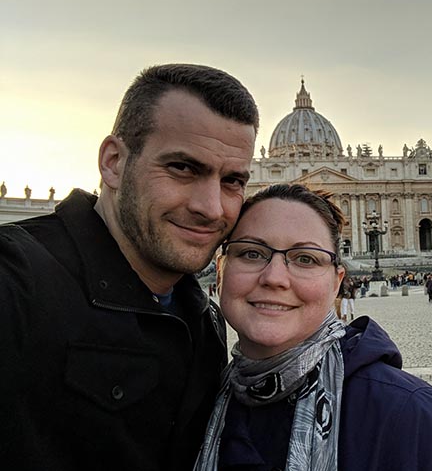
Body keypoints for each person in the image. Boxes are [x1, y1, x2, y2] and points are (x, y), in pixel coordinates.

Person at [0, 64, 259, 470]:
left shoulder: (205, 317)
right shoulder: (15, 279)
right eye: (183, 168)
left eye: (232, 181)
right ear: (114, 162)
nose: (211, 208)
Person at [196, 184, 432, 470]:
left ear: (336, 283)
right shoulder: (191, 399)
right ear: (220, 271)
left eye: (306, 259)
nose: (275, 278)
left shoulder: (413, 416)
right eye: (251, 253)